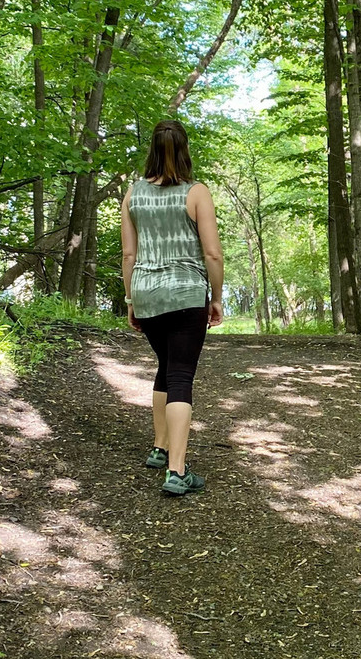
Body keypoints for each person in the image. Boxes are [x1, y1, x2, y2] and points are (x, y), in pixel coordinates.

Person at [121, 119, 224, 496]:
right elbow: (212, 252)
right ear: (184, 149)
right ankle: (177, 472)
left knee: (165, 366)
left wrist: (131, 299)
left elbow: (129, 254)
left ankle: (160, 448)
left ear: (152, 148)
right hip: (185, 294)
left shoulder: (133, 194)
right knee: (181, 375)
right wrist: (216, 297)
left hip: (147, 294)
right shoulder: (196, 192)